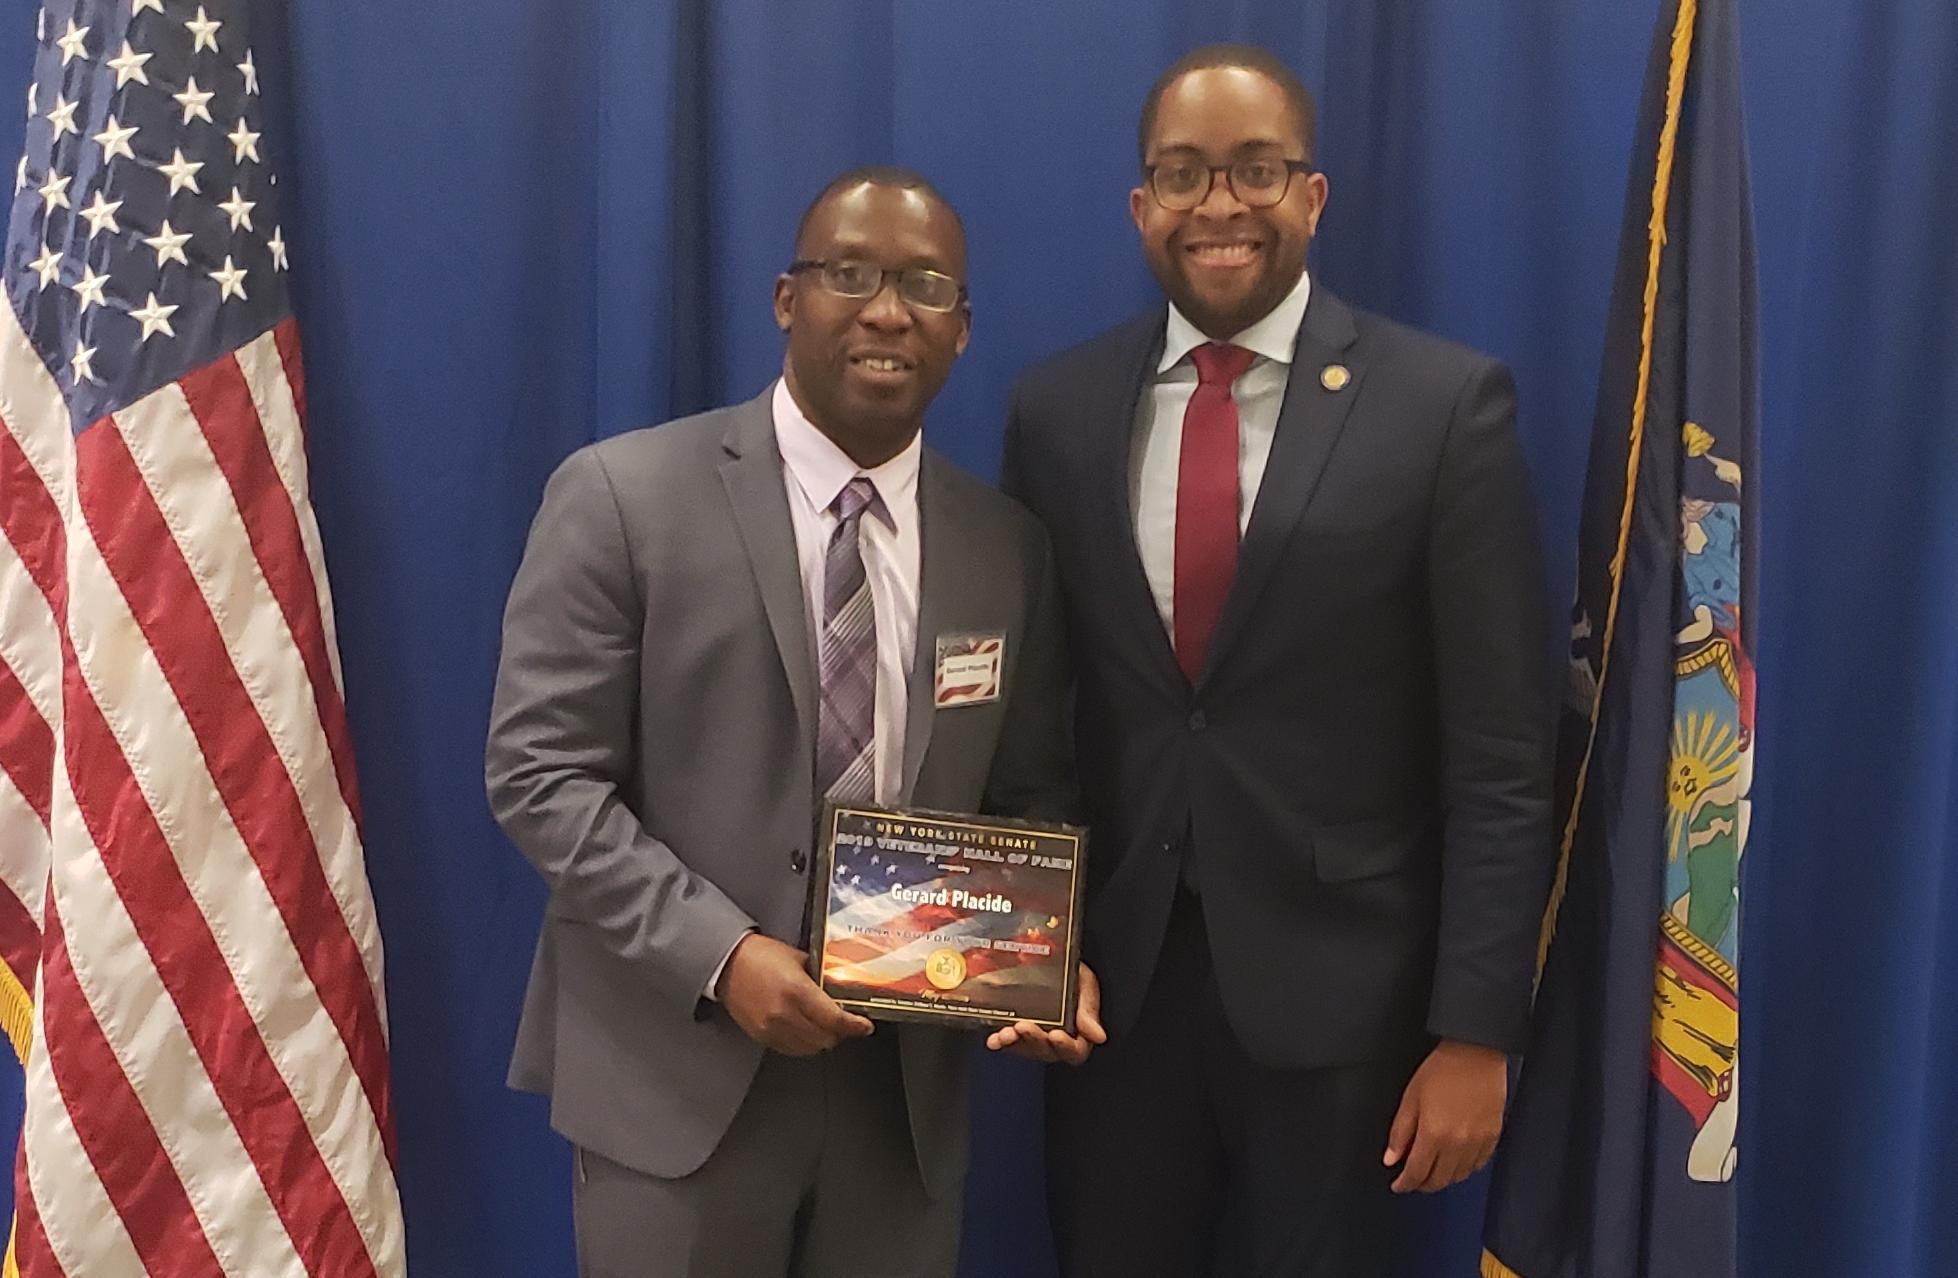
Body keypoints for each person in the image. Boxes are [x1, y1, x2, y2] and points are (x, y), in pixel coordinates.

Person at [1000, 45, 1556, 1276]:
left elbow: (1504, 755)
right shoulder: (1054, 410)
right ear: (1141, 207)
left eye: (1255, 170)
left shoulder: (1442, 406)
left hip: (1349, 1012)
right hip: (1112, 1007)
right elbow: (1038, 721)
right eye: (1183, 175)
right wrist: (1030, 958)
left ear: (1312, 196)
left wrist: (1477, 1032)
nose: (1219, 205)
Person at [487, 166, 1102, 1278]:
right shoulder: (622, 497)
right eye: (848, 274)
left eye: (923, 286)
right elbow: (540, 777)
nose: (883, 310)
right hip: (679, 1086)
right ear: (785, 298)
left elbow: (1027, 796)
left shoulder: (1006, 549)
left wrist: (1044, 960)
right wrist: (720, 956)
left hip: (900, 1109)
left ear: (961, 329)